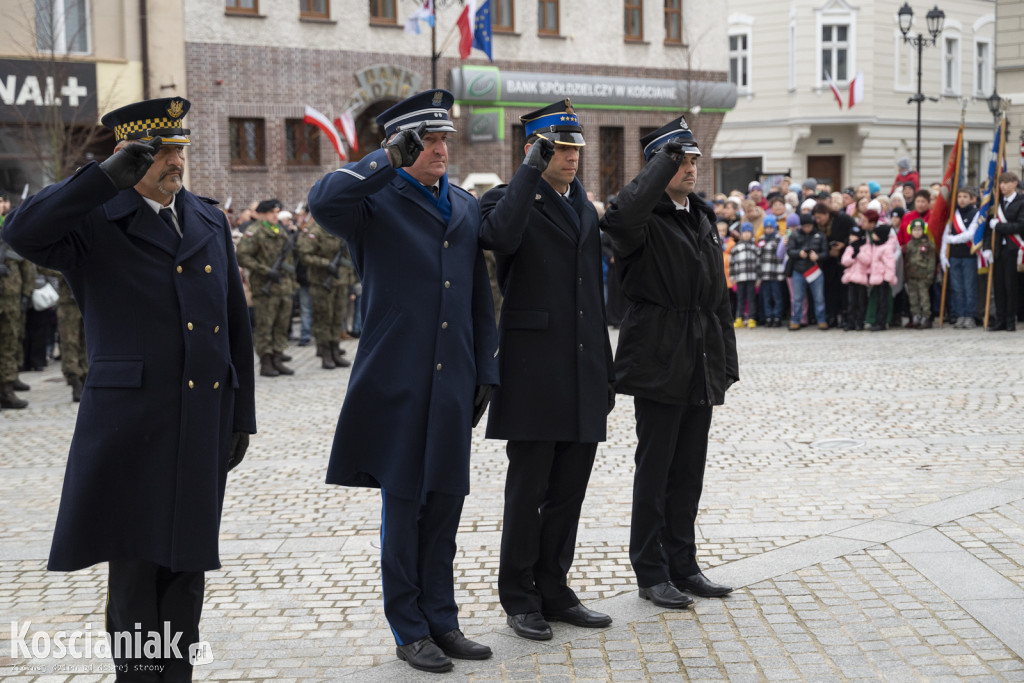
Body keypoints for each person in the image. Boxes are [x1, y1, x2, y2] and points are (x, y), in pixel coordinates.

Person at [1, 97, 256, 679]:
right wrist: (97, 182)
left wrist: (241, 413)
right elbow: (22, 231)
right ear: (126, 157)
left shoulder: (208, 218)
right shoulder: (93, 220)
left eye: (178, 149)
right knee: (137, 577)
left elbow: (234, 324)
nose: (175, 161)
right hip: (132, 428)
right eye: (160, 152)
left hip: (200, 421)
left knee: (188, 571)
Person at [307, 89, 499, 674]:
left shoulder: (464, 205)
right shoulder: (373, 200)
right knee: (405, 505)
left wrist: (486, 368)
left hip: (453, 379)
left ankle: (443, 619)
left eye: (444, 138)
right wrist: (384, 158)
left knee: (445, 505)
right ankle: (409, 627)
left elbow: (477, 298)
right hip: (398, 378)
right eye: (428, 140)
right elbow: (323, 200)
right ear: (404, 145)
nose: (442, 148)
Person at [478, 98, 615, 642]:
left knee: (569, 490)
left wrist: (605, 367)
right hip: (534, 369)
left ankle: (554, 587)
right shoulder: (508, 199)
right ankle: (519, 595)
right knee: (528, 488)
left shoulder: (582, 204)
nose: (572, 157)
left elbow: (594, 296)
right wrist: (527, 173)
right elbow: (500, 239)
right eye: (560, 148)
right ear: (535, 148)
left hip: (581, 366)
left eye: (576, 148)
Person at [601, 115, 738, 610]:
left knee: (688, 470)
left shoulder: (700, 216)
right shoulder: (643, 219)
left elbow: (716, 296)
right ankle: (651, 570)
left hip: (699, 354)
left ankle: (684, 563)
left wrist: (725, 361)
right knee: (655, 469)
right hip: (659, 355)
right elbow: (617, 219)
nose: (691, 168)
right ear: (659, 165)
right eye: (679, 160)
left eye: (694, 159)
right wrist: (661, 163)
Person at [237, 199, 297, 377]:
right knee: (265, 326)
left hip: (283, 286)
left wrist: (292, 282)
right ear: (261, 214)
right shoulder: (254, 232)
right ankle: (266, 362)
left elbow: (289, 260)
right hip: (265, 288)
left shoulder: (280, 231)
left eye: (277, 212)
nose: (275, 215)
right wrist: (265, 271)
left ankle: (278, 358)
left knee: (281, 325)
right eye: (271, 212)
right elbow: (242, 256)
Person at [296, 217, 353, 369]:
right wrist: (326, 264)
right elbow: (304, 255)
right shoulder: (315, 231)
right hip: (322, 283)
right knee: (324, 318)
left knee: (337, 318)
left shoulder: (339, 228)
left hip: (340, 281)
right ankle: (325, 353)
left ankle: (335, 351)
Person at [986, 171, 1024, 331]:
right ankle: (1000, 320)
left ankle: (1010, 320)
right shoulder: (996, 203)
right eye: (1000, 183)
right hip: (998, 249)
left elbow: (1020, 226)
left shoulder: (1021, 202)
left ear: (1014, 184)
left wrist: (999, 226)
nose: (1002, 186)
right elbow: (988, 229)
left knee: (1011, 286)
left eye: (1006, 182)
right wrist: (987, 248)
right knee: (999, 286)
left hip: (1013, 249)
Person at [0, 234, 34, 408]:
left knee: (9, 345)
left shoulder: (10, 236)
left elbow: (27, 267)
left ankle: (6, 390)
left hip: (11, 303)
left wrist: (26, 294)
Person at [941, 186, 978, 328]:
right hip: (954, 256)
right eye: (959, 197)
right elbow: (945, 236)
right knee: (957, 288)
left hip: (968, 255)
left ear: (971, 199)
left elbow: (970, 234)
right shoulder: (953, 214)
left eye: (965, 197)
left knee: (969, 287)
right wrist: (943, 255)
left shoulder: (975, 213)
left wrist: (952, 239)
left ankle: (970, 316)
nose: (962, 200)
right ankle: (960, 315)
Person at [812, 201, 853, 328]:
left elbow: (854, 233)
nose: (818, 220)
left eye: (821, 217)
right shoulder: (815, 224)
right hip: (827, 261)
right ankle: (832, 316)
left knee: (844, 290)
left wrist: (844, 245)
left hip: (844, 259)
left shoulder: (842, 219)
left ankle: (846, 316)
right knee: (830, 290)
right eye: (816, 218)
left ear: (827, 214)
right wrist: (825, 251)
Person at [787, 213, 829, 330]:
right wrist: (799, 253)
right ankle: (796, 320)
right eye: (805, 226)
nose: (807, 228)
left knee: (819, 297)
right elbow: (790, 251)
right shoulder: (794, 235)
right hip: (799, 270)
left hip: (815, 270)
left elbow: (826, 252)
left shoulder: (820, 235)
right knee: (797, 298)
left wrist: (818, 256)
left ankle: (821, 320)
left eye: (809, 226)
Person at [867, 211, 899, 331]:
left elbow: (890, 265)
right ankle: (877, 321)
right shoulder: (876, 246)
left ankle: (881, 322)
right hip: (877, 277)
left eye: (875, 234)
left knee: (883, 301)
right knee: (879, 301)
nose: (873, 236)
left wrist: (887, 278)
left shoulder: (886, 248)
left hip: (883, 279)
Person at [902, 218, 936, 328]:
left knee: (924, 298)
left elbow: (931, 261)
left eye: (919, 229)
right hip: (912, 276)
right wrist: (906, 275)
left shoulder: (928, 245)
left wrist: (930, 275)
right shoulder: (909, 244)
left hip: (923, 276)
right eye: (914, 229)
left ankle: (926, 317)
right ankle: (916, 316)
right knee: (913, 298)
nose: (917, 232)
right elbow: (907, 260)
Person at [841, 221, 871, 331]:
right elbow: (844, 261)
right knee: (851, 303)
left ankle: (860, 322)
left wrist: (859, 253)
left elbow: (868, 261)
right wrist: (853, 256)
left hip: (862, 279)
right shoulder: (850, 248)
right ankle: (850, 322)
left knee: (861, 303)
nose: (851, 237)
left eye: (853, 236)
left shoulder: (866, 247)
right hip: (852, 278)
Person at [729, 222, 759, 327]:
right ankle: (739, 318)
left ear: (752, 234)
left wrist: (758, 278)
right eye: (744, 232)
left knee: (751, 299)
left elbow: (758, 263)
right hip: (740, 278)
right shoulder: (736, 248)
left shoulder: (755, 247)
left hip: (751, 277)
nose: (746, 234)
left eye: (748, 232)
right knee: (740, 298)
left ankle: (751, 318)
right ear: (741, 234)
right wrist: (732, 277)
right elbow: (732, 263)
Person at [758, 216, 786, 327]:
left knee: (777, 297)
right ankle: (768, 317)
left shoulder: (780, 239)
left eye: (771, 227)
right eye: (767, 227)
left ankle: (777, 316)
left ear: (775, 228)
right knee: (766, 297)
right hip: (764, 273)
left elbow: (782, 255)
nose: (769, 229)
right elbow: (758, 256)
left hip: (776, 273)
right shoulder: (761, 240)